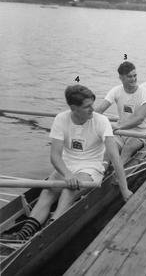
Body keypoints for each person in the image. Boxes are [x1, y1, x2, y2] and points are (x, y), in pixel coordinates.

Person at [2, 85, 132, 241]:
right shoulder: (61, 119)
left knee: (68, 191)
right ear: (73, 108)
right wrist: (68, 174)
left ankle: (47, 232)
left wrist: (125, 191)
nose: (93, 109)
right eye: (87, 107)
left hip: (91, 168)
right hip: (66, 166)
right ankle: (23, 234)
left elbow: (115, 157)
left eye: (92, 104)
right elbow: (55, 156)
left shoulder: (101, 121)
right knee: (47, 192)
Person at [95, 61, 146, 165]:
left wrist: (119, 126)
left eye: (135, 76)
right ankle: (101, 173)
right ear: (121, 78)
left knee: (127, 149)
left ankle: (117, 177)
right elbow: (99, 111)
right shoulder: (116, 91)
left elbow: (139, 119)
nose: (133, 79)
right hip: (120, 133)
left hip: (139, 133)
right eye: (129, 76)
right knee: (108, 152)